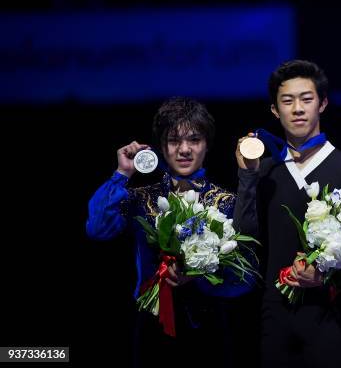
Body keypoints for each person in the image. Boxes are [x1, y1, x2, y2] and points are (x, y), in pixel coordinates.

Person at [86, 97, 252, 367]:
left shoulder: (227, 202)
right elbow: (97, 229)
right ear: (162, 147)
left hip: (209, 330)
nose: (184, 150)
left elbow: (244, 278)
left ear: (207, 144)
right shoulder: (140, 199)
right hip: (153, 328)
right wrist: (122, 173)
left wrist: (200, 277)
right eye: (174, 141)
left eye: (194, 140)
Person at [233, 60, 341, 367]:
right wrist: (247, 177)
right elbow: (245, 243)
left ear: (322, 104)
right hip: (275, 317)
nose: (297, 108)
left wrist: (327, 275)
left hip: (332, 318)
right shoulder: (265, 171)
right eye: (287, 101)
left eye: (306, 99)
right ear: (274, 110)